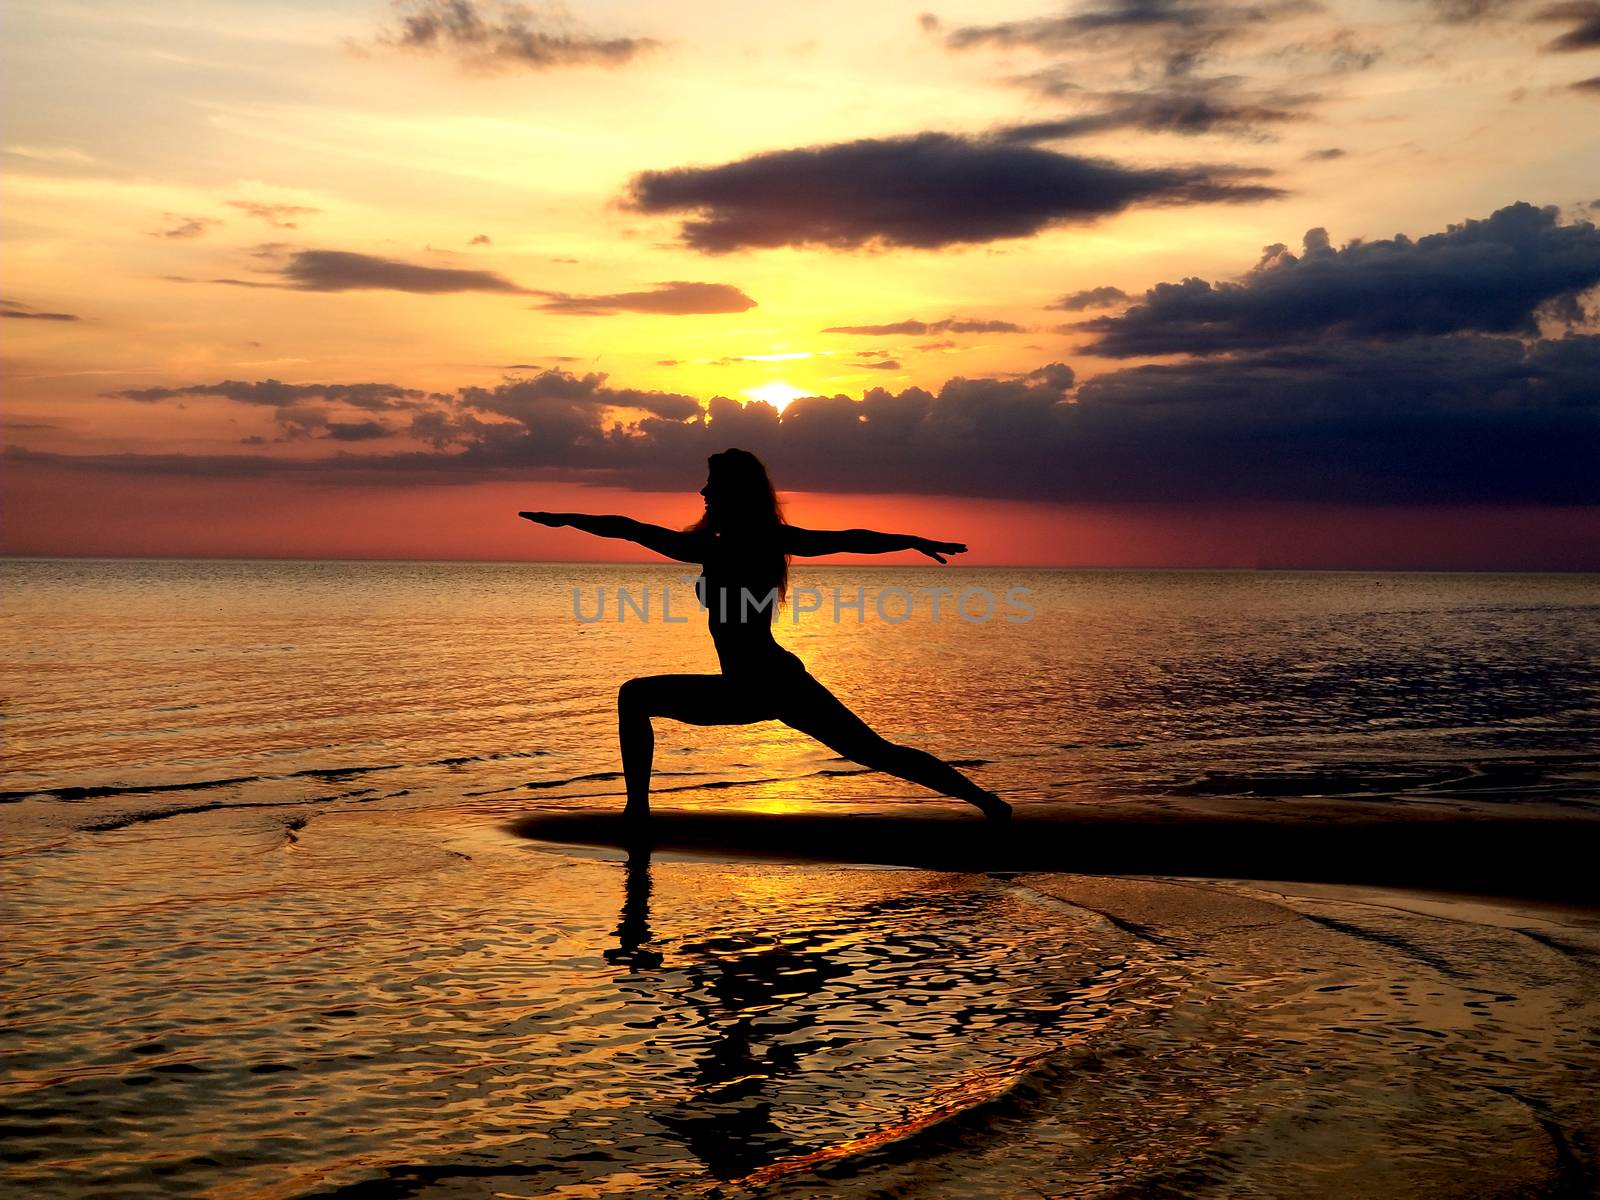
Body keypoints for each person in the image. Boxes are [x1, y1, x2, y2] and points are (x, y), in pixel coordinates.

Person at [519, 447, 1010, 822]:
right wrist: (567, 520)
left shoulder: (756, 542)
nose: (704, 492)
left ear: (737, 493)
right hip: (754, 685)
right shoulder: (713, 547)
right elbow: (629, 528)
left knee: (875, 753)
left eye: (713, 485)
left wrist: (911, 541)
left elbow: (847, 540)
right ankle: (987, 803)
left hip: (769, 683)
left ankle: (988, 804)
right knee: (636, 697)